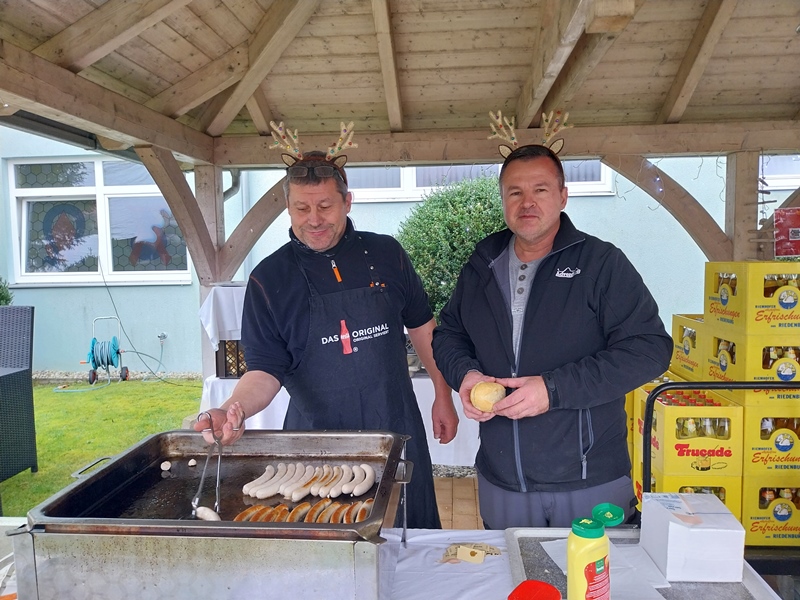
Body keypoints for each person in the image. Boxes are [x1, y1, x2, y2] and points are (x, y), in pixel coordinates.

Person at [195, 149, 458, 529]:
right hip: (315, 444)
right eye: (302, 208)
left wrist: (442, 394)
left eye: (325, 206)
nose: (314, 219)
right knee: (324, 542)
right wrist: (233, 408)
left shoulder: (387, 254)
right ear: (288, 206)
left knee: (409, 532)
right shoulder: (269, 279)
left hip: (396, 428)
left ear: (347, 202)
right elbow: (265, 371)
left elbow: (421, 328)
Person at [432, 143, 672, 529]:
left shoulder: (600, 263)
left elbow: (650, 349)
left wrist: (553, 390)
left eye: (540, 190)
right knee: (517, 583)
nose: (527, 202)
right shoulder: (482, 265)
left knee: (591, 585)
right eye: (515, 192)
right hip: (502, 480)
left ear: (562, 196)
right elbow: (449, 335)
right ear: (503, 199)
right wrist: (466, 376)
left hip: (587, 479)